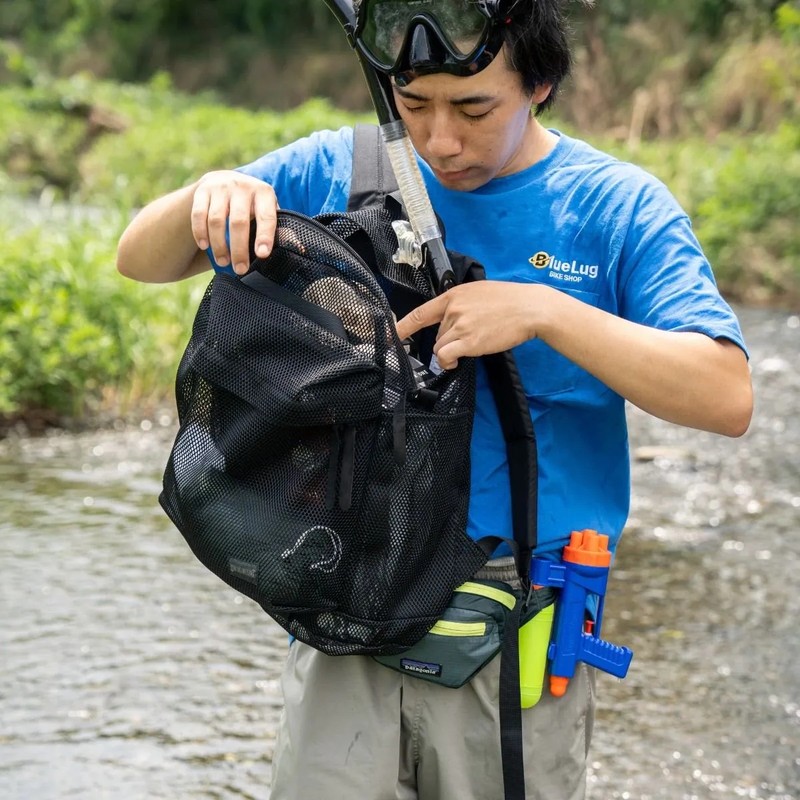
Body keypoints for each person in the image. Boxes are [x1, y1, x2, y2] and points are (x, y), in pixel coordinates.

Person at [116, 0, 754, 797]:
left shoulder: (616, 208)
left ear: (542, 84)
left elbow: (727, 396)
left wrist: (547, 312)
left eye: (475, 108)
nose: (441, 140)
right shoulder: (345, 170)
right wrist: (206, 196)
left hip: (514, 635)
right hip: (347, 614)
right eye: (414, 105)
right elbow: (140, 257)